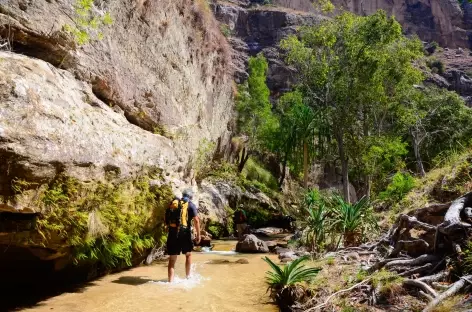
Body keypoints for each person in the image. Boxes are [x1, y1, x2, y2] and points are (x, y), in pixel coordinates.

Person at [165, 188, 201, 282]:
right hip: (185, 233)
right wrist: (198, 235)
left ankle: (170, 282)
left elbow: (166, 217)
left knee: (172, 260)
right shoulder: (191, 205)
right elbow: (196, 220)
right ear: (190, 196)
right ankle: (188, 277)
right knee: (188, 255)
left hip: (173, 232)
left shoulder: (174, 203)